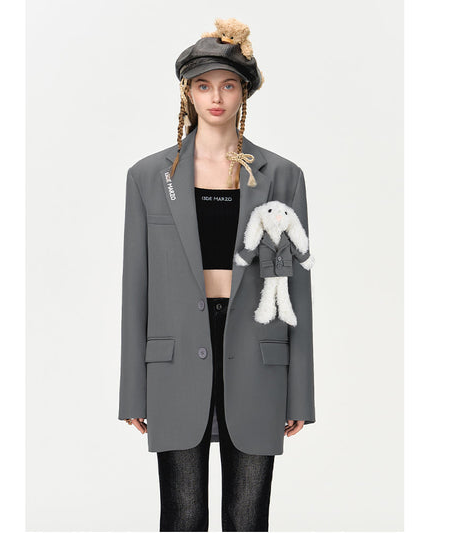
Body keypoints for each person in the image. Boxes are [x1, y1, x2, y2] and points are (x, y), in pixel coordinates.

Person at [118, 18, 316, 532]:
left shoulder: (283, 177)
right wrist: (132, 390)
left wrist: (301, 392)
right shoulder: (148, 177)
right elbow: (135, 288)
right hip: (175, 360)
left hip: (257, 356)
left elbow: (295, 289)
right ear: (187, 92)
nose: (216, 97)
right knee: (182, 517)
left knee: (248, 519)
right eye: (204, 85)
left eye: (228, 85)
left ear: (244, 92)